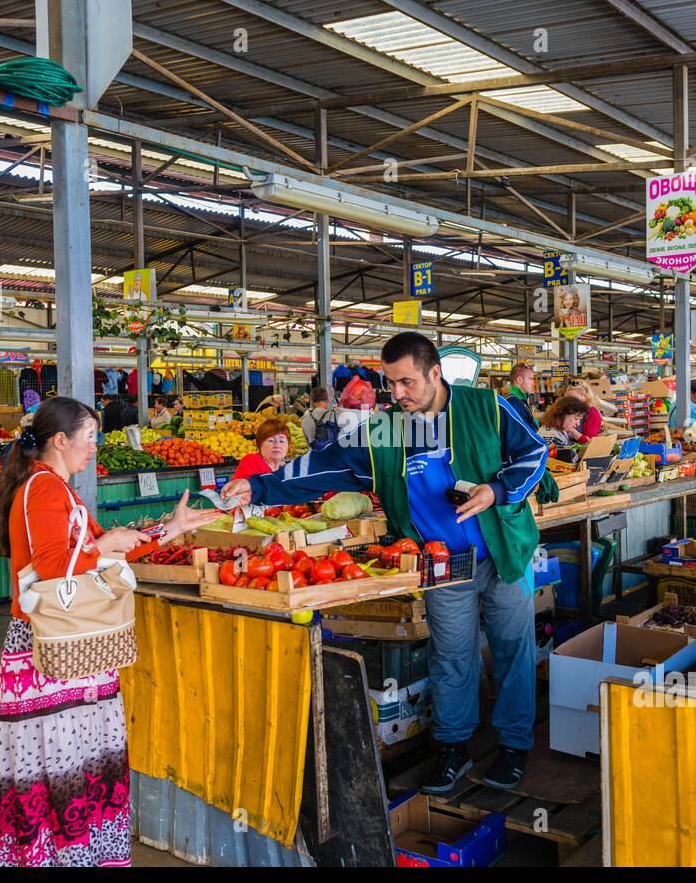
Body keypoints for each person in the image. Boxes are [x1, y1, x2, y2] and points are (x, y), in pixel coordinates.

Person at [220, 332, 549, 792]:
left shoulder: (486, 408)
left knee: (513, 647)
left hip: (503, 552)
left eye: (406, 383)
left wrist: (497, 489)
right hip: (441, 565)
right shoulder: (392, 428)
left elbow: (535, 451)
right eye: (390, 383)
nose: (396, 394)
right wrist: (261, 487)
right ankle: (454, 748)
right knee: (452, 657)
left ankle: (513, 746)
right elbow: (327, 463)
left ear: (435, 373)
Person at [0, 397, 218, 866]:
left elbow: (106, 555)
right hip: (49, 652)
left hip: (73, 649)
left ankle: (76, 854)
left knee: (73, 764)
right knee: (61, 766)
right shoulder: (44, 490)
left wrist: (170, 529)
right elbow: (52, 567)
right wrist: (99, 544)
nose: (95, 447)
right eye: (90, 438)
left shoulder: (59, 491)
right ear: (60, 440)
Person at [231, 418, 293, 482]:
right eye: (271, 440)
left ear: (288, 446)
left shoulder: (285, 472)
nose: (277, 445)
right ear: (260, 444)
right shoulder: (251, 461)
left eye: (282, 441)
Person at [506, 363, 540, 434]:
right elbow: (524, 435)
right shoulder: (514, 403)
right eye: (531, 379)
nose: (533, 383)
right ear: (519, 380)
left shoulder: (519, 401)